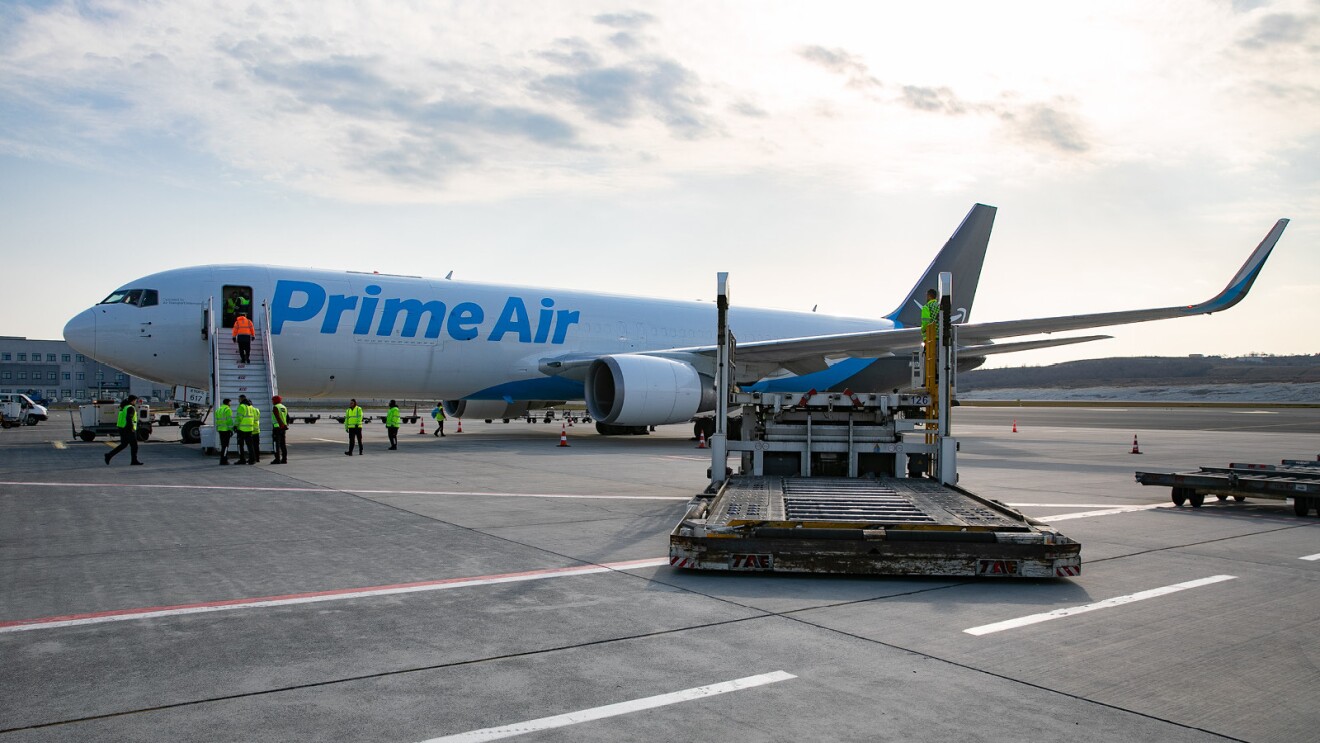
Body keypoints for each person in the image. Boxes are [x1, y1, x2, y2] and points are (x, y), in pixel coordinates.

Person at [104, 395, 143, 466]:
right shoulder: (130, 408)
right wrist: (132, 428)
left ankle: (109, 455)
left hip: (122, 428)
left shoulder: (124, 407)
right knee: (134, 446)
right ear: (132, 400)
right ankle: (134, 461)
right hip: (128, 429)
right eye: (135, 400)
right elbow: (129, 418)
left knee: (124, 445)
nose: (136, 402)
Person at [270, 395, 289, 464]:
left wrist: (280, 425)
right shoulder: (284, 407)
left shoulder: (275, 407)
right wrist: (285, 425)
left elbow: (277, 417)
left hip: (277, 427)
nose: (272, 401)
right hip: (283, 428)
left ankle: (277, 459)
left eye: (273, 400)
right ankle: (284, 459)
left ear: (275, 400)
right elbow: (287, 417)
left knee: (276, 444)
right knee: (283, 444)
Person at [215, 397, 235, 465]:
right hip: (226, 430)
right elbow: (229, 421)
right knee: (226, 446)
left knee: (223, 445)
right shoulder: (227, 409)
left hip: (220, 429)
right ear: (227, 403)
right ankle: (224, 460)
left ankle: (222, 458)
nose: (230, 404)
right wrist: (231, 429)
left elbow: (217, 420)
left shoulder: (219, 409)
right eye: (230, 403)